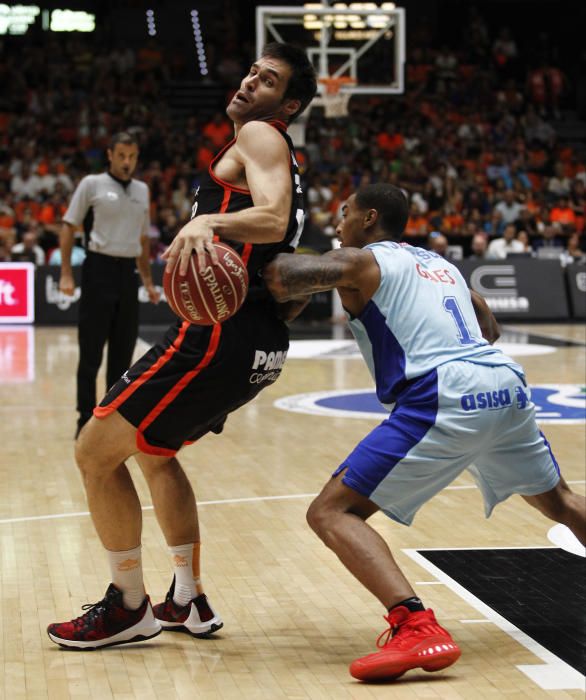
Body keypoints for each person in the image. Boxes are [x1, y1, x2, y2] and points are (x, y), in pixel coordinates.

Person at [47, 42, 317, 650]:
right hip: (256, 339)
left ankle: (128, 606)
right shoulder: (270, 148)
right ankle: (187, 598)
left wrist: (207, 222)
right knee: (155, 452)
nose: (250, 82)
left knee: (94, 452)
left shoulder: (262, 137)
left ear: (288, 103)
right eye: (251, 70)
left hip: (217, 334)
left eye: (268, 80)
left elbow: (273, 220)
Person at [264, 183, 586, 682]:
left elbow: (281, 277)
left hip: (441, 395)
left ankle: (415, 625)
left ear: (370, 219)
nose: (339, 221)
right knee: (561, 501)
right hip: (504, 382)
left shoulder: (362, 261)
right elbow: (489, 325)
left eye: (345, 213)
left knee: (332, 511)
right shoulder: (440, 265)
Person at [59, 132, 160, 437]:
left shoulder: (143, 190)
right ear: (110, 155)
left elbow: (143, 240)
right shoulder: (91, 185)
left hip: (128, 273)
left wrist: (148, 281)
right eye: (121, 156)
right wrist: (66, 272)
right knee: (91, 353)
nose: (127, 162)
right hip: (98, 269)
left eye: (132, 157)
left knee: (123, 353)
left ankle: (111, 422)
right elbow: (67, 226)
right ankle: (84, 421)